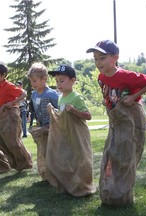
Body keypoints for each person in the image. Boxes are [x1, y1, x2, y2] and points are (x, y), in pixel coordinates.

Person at [86, 40, 146, 206]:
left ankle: (122, 196)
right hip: (116, 119)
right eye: (95, 58)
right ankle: (111, 192)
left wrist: (132, 97)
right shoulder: (101, 77)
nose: (97, 62)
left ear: (115, 57)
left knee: (125, 156)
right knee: (111, 154)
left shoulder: (126, 76)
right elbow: (108, 92)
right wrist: (106, 100)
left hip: (130, 118)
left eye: (102, 58)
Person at [46, 64, 96, 197]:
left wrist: (74, 110)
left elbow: (88, 116)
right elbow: (63, 115)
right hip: (65, 134)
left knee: (80, 159)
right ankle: (68, 184)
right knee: (66, 158)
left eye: (61, 81)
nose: (58, 84)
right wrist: (54, 112)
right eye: (57, 81)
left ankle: (83, 185)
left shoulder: (76, 97)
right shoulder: (60, 97)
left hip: (78, 135)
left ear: (73, 80)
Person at [0, 61, 33, 171]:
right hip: (1, 116)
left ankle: (25, 162)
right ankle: (16, 163)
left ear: (3, 75)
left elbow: (23, 94)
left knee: (13, 141)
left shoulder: (8, 86)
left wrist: (12, 103)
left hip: (10, 115)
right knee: (1, 143)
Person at [26, 62, 59, 180]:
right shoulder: (34, 95)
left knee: (54, 151)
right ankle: (45, 173)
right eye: (31, 81)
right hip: (42, 128)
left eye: (34, 81)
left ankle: (57, 172)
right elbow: (34, 109)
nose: (32, 84)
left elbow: (59, 109)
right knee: (42, 150)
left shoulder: (52, 94)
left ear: (44, 79)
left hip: (53, 128)